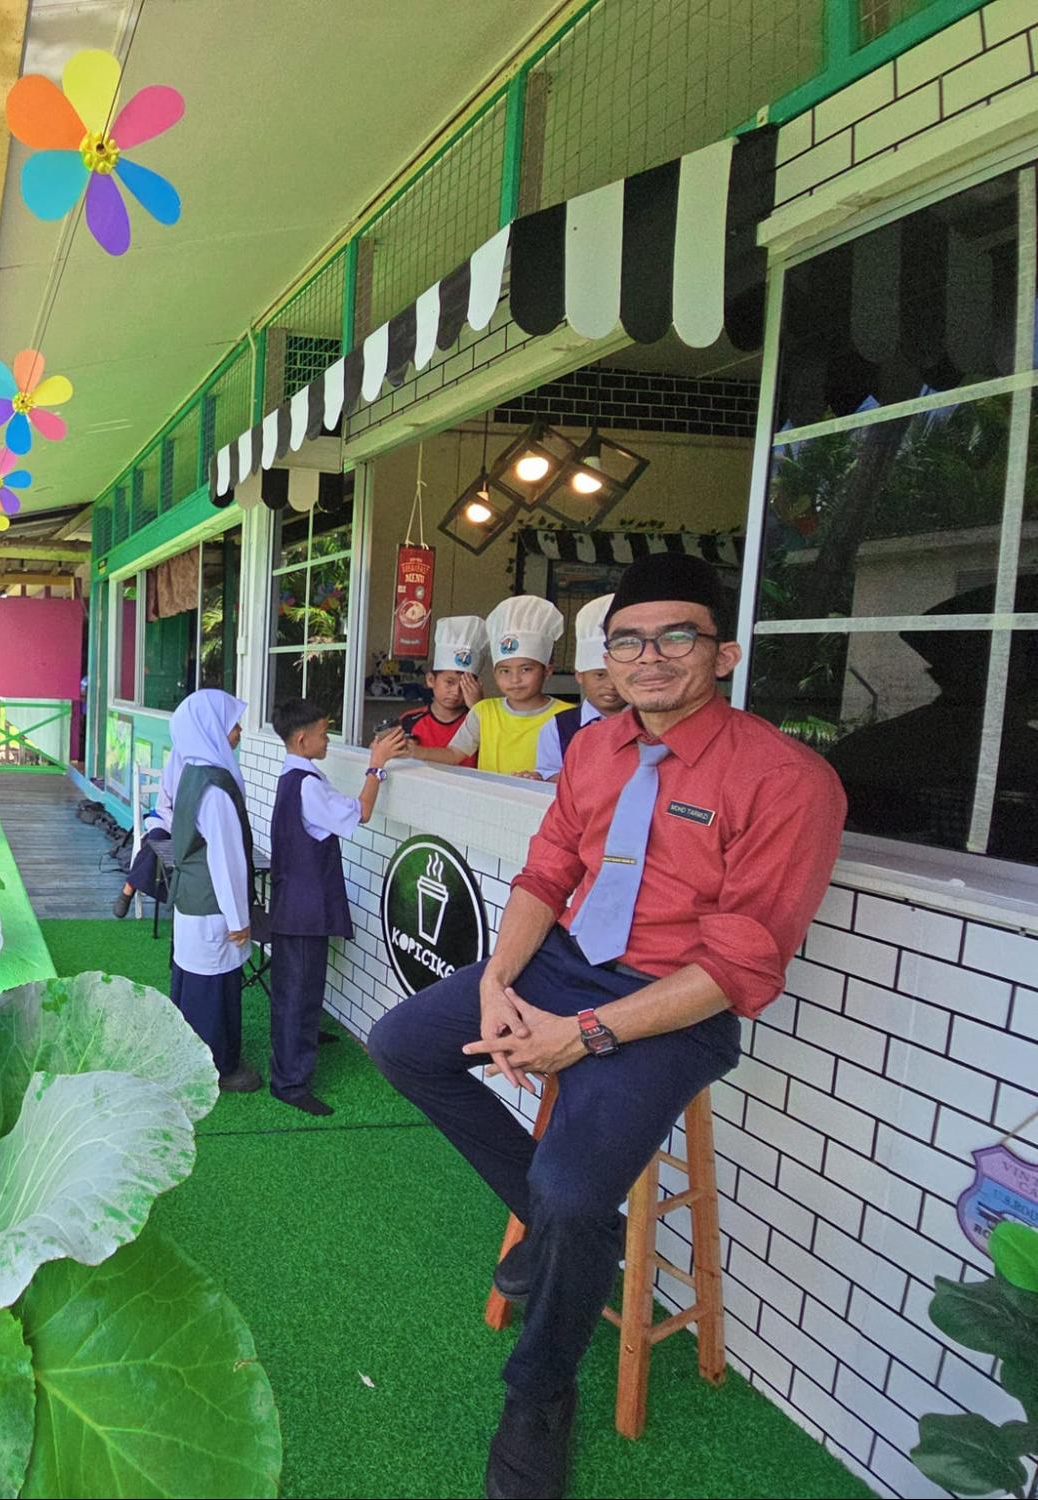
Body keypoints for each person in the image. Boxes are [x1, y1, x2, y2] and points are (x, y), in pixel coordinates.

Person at [367, 553, 846, 1500]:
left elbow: (739, 966)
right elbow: (546, 874)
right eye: (628, 641)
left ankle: (539, 1391)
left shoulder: (788, 779)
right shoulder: (593, 749)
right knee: (402, 1045)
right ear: (605, 657)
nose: (649, 657)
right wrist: (498, 980)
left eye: (676, 637)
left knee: (572, 1188)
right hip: (563, 960)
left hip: (675, 1001)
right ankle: (563, 1236)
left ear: (723, 653)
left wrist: (581, 1035)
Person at [267, 699, 410, 1116]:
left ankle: (301, 1042)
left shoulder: (294, 776)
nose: (328, 739)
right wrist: (376, 765)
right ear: (302, 739)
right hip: (304, 906)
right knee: (298, 989)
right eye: (323, 733)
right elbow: (360, 813)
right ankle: (289, 1083)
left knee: (298, 983)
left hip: (294, 899)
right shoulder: (308, 785)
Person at [164, 689, 262, 1092]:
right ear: (211, 728)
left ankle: (187, 1058)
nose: (238, 731)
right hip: (213, 905)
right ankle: (218, 1068)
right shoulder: (216, 789)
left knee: (192, 983)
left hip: (192, 899)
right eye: (232, 724)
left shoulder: (191, 771)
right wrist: (240, 919)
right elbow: (227, 860)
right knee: (214, 990)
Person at [413, 596, 570, 777]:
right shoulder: (483, 711)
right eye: (505, 671)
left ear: (547, 671)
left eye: (526, 669)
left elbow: (578, 771)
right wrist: (413, 751)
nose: (515, 679)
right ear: (494, 674)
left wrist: (545, 779)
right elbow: (454, 754)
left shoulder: (568, 716)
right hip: (489, 796)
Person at [534, 594, 627, 783]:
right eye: (599, 675)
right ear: (579, 675)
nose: (610, 685)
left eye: (618, 675)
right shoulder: (559, 726)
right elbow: (548, 774)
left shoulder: (648, 723)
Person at [400, 615, 488, 765]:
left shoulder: (479, 723)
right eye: (449, 682)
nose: (456, 691)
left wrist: (478, 708)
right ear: (431, 680)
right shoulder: (409, 721)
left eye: (465, 684)